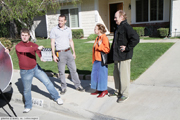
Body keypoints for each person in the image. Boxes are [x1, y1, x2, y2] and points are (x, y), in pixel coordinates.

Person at [15, 28, 63, 113]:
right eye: (23, 35)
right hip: (25, 72)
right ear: (20, 36)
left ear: (29, 36)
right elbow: (27, 50)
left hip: (35, 68)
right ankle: (28, 106)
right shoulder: (18, 46)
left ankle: (57, 97)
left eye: (26, 35)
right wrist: (37, 47)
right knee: (26, 90)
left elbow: (37, 51)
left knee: (47, 82)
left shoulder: (32, 44)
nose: (24, 37)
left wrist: (41, 57)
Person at [109, 10, 139, 102]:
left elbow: (136, 38)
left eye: (115, 17)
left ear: (122, 17)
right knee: (116, 75)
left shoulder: (126, 27)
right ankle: (118, 91)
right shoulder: (118, 27)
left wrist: (127, 48)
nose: (114, 19)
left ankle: (125, 94)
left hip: (124, 56)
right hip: (117, 56)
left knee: (124, 76)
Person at [50, 14, 84, 95]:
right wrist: (54, 55)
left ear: (65, 21)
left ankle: (78, 85)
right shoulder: (54, 30)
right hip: (60, 53)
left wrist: (74, 52)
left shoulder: (68, 29)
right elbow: (52, 42)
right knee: (61, 72)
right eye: (59, 20)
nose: (60, 22)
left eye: (62, 21)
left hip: (68, 52)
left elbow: (71, 41)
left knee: (73, 70)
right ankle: (63, 87)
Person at [90, 23, 110, 98]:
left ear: (100, 30)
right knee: (95, 75)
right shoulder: (97, 38)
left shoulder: (104, 38)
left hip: (101, 60)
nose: (94, 30)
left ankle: (104, 90)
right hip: (96, 60)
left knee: (102, 76)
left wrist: (100, 45)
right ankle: (98, 89)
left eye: (95, 29)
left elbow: (107, 50)